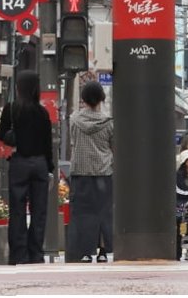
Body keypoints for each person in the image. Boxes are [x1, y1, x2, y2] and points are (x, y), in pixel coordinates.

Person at [0, 69, 54, 264]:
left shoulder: (11, 109)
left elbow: (1, 133)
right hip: (39, 163)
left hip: (19, 162)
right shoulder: (42, 112)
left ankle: (19, 254)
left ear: (18, 87)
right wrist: (49, 167)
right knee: (39, 211)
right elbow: (48, 143)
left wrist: (13, 138)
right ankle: (36, 253)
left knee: (17, 210)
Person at [67, 80, 114, 264]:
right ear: (101, 98)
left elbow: (72, 141)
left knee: (82, 214)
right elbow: (114, 147)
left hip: (80, 172)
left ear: (83, 99)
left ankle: (85, 252)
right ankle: (102, 251)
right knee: (103, 213)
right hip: (104, 173)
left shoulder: (74, 120)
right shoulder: (109, 123)